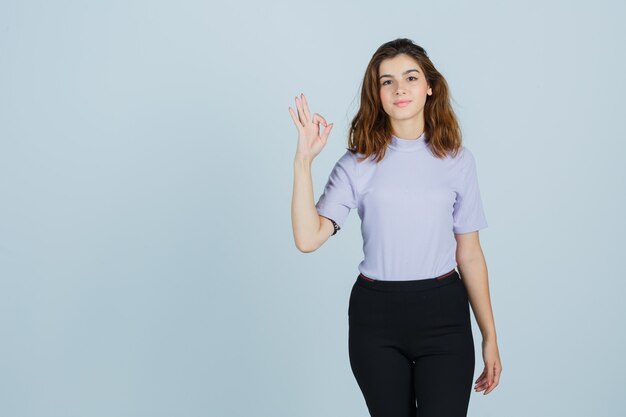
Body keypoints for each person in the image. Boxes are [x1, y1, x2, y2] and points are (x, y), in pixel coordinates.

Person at [289, 38, 502, 417]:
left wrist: (490, 336)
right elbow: (308, 238)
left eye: (410, 77)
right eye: (386, 81)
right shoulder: (357, 163)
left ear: (429, 86)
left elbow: (469, 254)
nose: (399, 88)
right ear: (377, 93)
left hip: (444, 315)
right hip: (376, 318)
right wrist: (303, 161)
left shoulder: (457, 161)